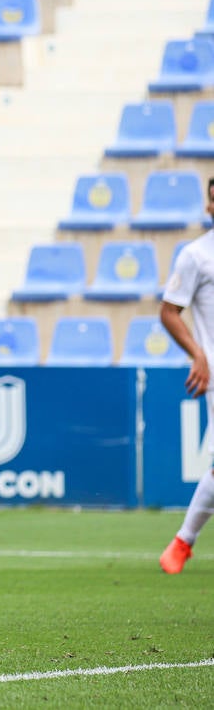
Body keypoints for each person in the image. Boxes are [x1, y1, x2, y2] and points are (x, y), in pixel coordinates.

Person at [159, 178, 214, 574]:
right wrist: (198, 353)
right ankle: (183, 541)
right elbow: (169, 311)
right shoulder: (196, 256)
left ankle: (182, 540)